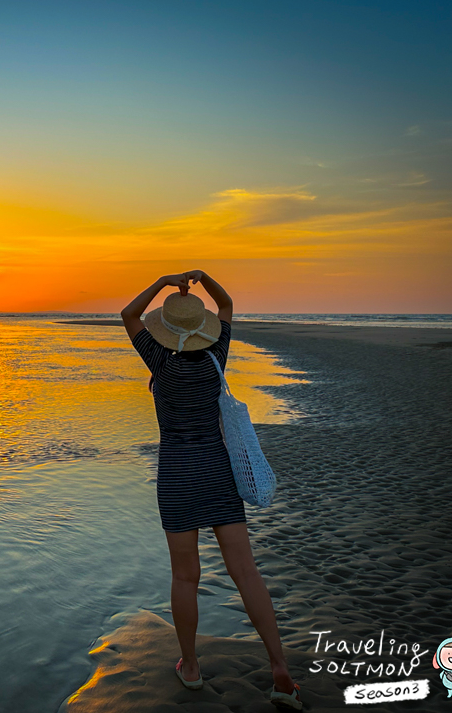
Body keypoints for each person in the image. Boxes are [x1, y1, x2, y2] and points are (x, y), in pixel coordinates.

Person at [120, 270, 302, 711]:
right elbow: (228, 306)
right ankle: (279, 669)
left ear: (167, 326)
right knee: (246, 572)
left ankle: (192, 666)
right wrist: (204, 279)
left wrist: (165, 282)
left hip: (179, 472)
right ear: (202, 327)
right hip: (218, 468)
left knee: (186, 576)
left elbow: (128, 314)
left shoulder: (159, 359)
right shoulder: (216, 354)